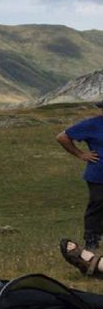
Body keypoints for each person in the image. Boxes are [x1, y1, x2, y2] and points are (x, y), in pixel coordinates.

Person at [56, 99, 103, 251]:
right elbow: (62, 137)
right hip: (98, 175)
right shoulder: (91, 124)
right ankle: (91, 241)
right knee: (97, 206)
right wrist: (81, 154)